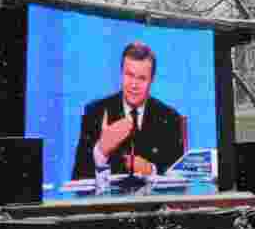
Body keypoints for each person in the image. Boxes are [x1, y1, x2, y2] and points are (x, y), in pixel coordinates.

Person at [71, 41, 184, 180]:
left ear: (152, 80)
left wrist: (151, 170)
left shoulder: (170, 118)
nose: (134, 85)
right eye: (129, 75)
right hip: (109, 201)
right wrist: (100, 152)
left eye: (142, 78)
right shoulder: (95, 113)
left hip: (152, 202)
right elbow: (78, 179)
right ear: (121, 73)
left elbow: (179, 183)